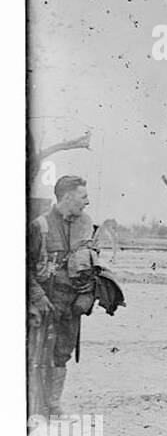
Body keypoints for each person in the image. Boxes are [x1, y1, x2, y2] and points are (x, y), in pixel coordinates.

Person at [28, 175, 99, 416]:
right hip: (46, 302)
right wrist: (37, 297)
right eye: (83, 196)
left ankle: (54, 405)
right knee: (38, 353)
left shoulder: (87, 224)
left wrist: (87, 294)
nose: (87, 202)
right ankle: (35, 405)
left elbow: (91, 263)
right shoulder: (40, 226)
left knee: (62, 353)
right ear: (67, 197)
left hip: (72, 303)